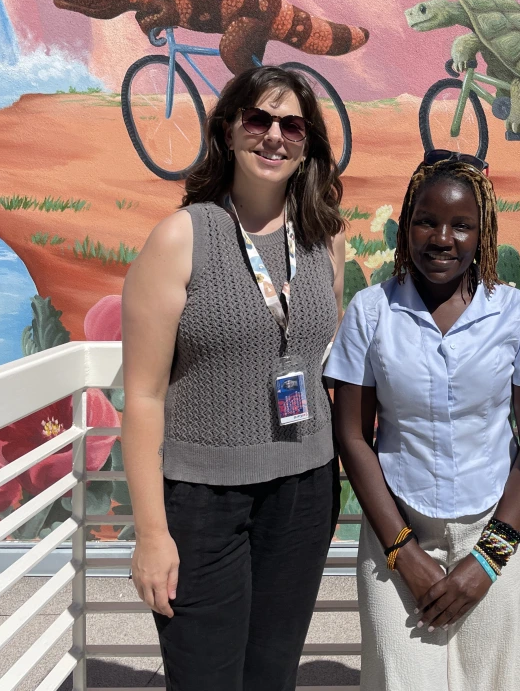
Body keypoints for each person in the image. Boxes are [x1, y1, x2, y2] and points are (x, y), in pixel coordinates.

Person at [121, 66, 346, 691]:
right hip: (202, 501)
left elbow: (317, 352)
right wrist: (150, 534)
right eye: (258, 120)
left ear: (308, 145)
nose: (274, 137)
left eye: (292, 125)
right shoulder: (181, 237)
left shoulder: (325, 239)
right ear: (228, 129)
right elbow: (141, 397)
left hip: (304, 491)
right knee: (205, 678)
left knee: (272, 674)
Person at [326, 153, 520, 691]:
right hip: (397, 534)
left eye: (461, 225)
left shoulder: (516, 312)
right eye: (427, 221)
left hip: (497, 532)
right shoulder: (370, 310)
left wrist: (491, 557)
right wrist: (403, 554)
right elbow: (353, 435)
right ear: (407, 225)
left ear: (484, 234)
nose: (442, 238)